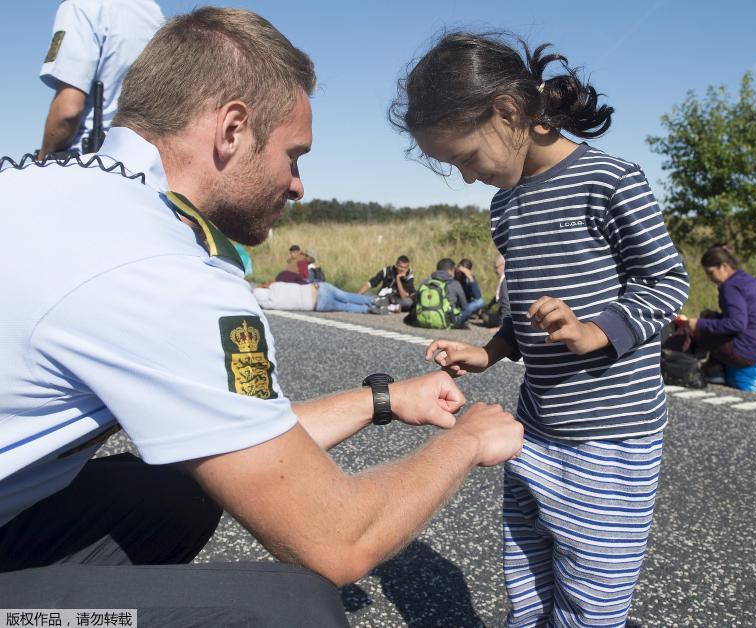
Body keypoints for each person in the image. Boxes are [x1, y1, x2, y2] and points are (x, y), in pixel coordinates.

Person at [0, 9, 524, 624]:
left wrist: (382, 400)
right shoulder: (161, 270)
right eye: (293, 155)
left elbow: (238, 438)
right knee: (294, 609)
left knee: (175, 491)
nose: (299, 185)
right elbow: (339, 541)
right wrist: (465, 442)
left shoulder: (57, 192)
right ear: (232, 128)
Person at [391, 32, 690, 626]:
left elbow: (667, 284)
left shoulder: (611, 181)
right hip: (536, 430)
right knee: (527, 586)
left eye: (467, 158)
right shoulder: (506, 206)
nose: (470, 177)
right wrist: (491, 351)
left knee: (590, 603)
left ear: (507, 111)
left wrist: (597, 330)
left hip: (610, 438)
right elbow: (524, 306)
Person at [38, 0, 165, 159]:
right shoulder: (153, 13)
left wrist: (41, 159)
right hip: (142, 161)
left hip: (86, 161)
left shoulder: (79, 7)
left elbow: (68, 111)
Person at [682, 246, 756, 378]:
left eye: (711, 273)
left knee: (700, 332)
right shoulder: (750, 281)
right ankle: (713, 366)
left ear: (724, 266)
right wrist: (714, 317)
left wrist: (699, 324)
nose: (709, 278)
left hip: (750, 353)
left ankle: (688, 367)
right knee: (709, 319)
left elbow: (737, 324)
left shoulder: (730, 286)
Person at [254, 280, 383, 314]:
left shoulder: (271, 304)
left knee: (346, 306)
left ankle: (368, 309)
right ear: (264, 287)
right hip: (318, 288)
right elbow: (269, 283)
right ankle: (373, 300)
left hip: (317, 305)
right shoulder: (276, 285)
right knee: (346, 296)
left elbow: (260, 304)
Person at [454, 258, 485, 329]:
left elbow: (478, 297)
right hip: (453, 306)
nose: (461, 273)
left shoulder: (468, 279)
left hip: (464, 305)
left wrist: (470, 278)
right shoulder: (452, 276)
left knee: (481, 303)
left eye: (465, 271)